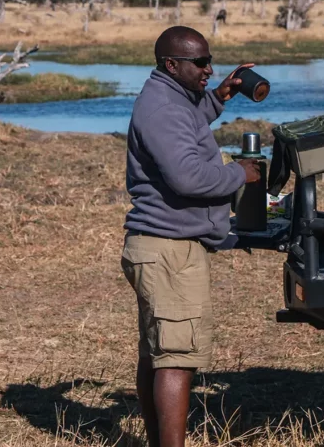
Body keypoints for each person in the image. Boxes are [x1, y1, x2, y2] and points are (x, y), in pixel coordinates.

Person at [122, 26, 262, 447]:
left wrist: (220, 96)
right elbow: (187, 177)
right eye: (200, 63)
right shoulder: (162, 108)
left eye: (209, 60)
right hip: (170, 252)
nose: (209, 68)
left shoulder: (170, 99)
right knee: (177, 362)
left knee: (159, 354)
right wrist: (241, 173)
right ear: (171, 64)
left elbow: (189, 121)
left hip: (159, 247)